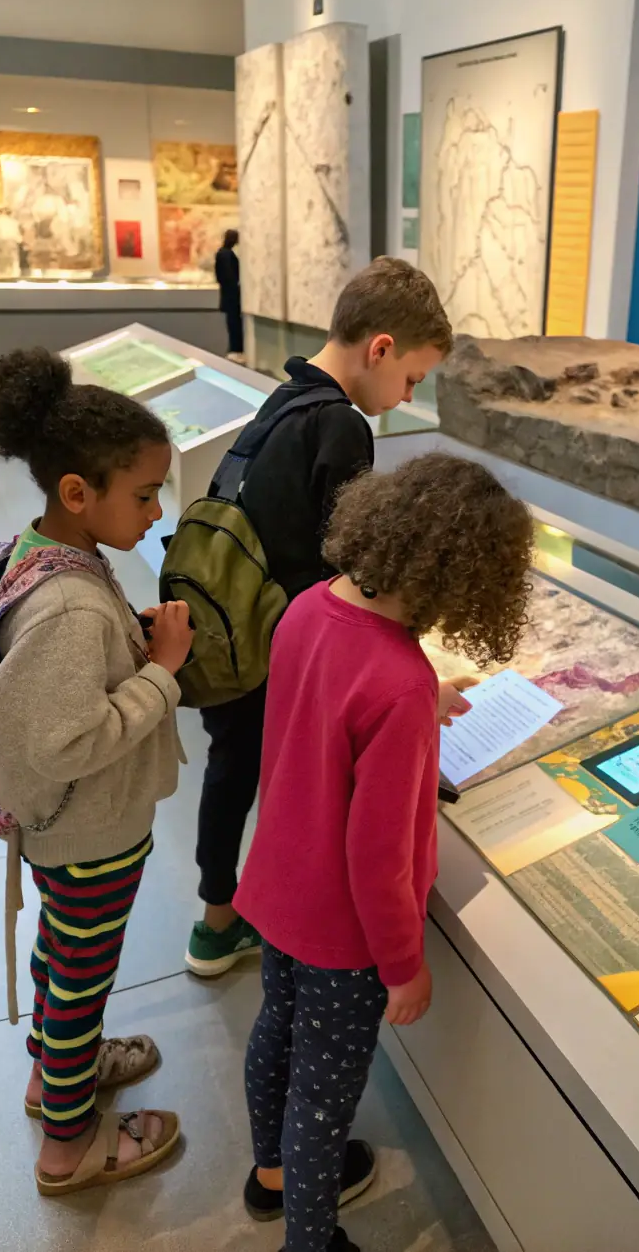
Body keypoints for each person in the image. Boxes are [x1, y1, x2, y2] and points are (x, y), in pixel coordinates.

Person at [237, 453, 534, 1252]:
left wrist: (423, 699)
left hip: (274, 889)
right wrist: (403, 964)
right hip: (344, 937)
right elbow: (379, 858)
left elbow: (324, 705)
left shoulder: (307, 607)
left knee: (277, 1027)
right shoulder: (399, 682)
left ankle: (267, 1177)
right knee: (324, 1098)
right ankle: (310, 1237)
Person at [185, 256, 454, 979]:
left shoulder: (286, 397)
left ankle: (219, 915)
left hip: (235, 626)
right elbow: (357, 563)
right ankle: (243, 924)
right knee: (269, 777)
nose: (403, 396)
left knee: (231, 768)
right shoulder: (341, 425)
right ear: (381, 349)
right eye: (412, 379)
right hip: (277, 644)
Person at [0, 349, 195, 1196]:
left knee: (64, 958)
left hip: (65, 833)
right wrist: (162, 668)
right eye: (143, 493)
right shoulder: (67, 603)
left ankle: (51, 1079)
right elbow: (67, 740)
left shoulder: (46, 552)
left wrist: (127, 643)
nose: (156, 508)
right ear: (79, 493)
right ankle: (68, 1146)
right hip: (91, 832)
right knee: (80, 980)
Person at [215, 227, 242, 356]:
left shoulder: (223, 253)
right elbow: (228, 276)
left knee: (233, 323)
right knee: (234, 323)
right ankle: (235, 349)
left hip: (229, 295)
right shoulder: (226, 255)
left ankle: (234, 348)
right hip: (231, 296)